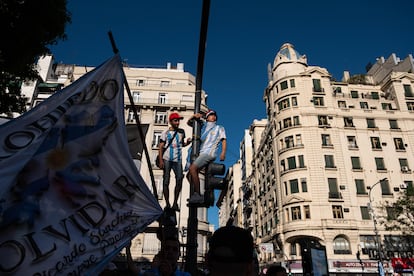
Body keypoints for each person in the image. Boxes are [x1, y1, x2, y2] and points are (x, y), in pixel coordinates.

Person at [186, 110, 226, 204]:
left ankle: (198, 195)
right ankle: (197, 194)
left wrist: (223, 153)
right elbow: (189, 122)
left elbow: (224, 140)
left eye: (214, 115)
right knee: (189, 175)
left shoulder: (219, 128)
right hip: (201, 153)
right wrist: (194, 116)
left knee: (192, 169)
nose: (214, 117)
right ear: (207, 117)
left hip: (208, 153)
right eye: (211, 115)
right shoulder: (203, 126)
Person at [158, 112, 190, 211]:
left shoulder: (182, 132)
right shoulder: (165, 133)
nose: (178, 122)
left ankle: (175, 202)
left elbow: (181, 144)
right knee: (166, 181)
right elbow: (161, 147)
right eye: (175, 120)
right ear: (171, 121)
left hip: (178, 159)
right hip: (167, 158)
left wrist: (187, 143)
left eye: (178, 120)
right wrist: (160, 160)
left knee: (180, 179)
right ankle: (167, 203)